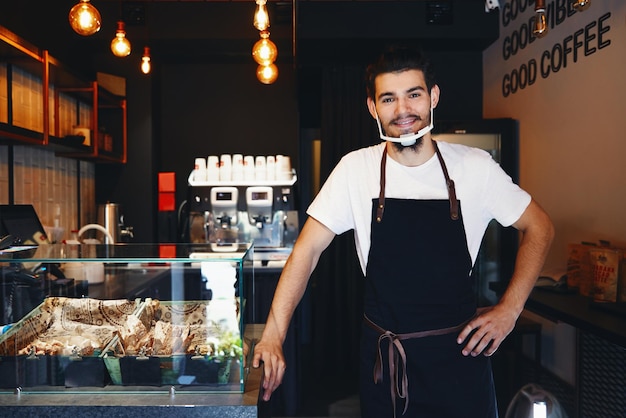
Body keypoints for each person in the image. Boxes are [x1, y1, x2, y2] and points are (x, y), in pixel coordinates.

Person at [250, 45, 554, 417]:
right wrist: (273, 336)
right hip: (385, 362)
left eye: (414, 94)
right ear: (372, 107)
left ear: (433, 96)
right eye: (389, 99)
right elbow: (306, 252)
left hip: (461, 362)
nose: (403, 110)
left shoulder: (475, 167)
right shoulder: (355, 170)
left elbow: (539, 227)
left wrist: (509, 309)